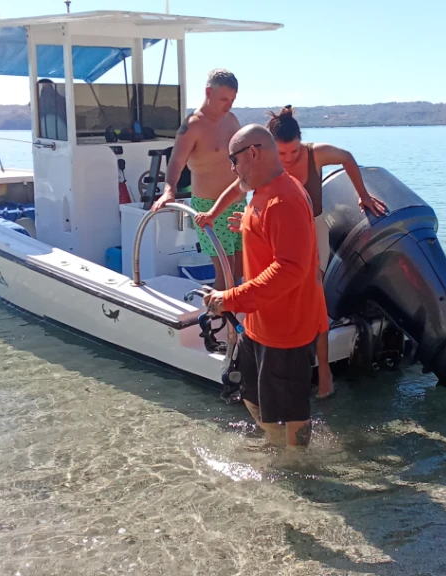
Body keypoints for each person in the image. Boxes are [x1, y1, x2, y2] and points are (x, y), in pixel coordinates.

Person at [196, 105, 387, 399]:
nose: (287, 159)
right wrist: (212, 213)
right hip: (275, 227)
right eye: (282, 154)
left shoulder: (316, 153)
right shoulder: (264, 168)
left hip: (312, 228)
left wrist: (363, 196)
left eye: (293, 153)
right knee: (269, 283)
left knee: (314, 294)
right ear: (269, 150)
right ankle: (262, 354)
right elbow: (237, 188)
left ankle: (323, 370)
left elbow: (347, 158)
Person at [202, 125, 328, 448]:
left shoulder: (284, 199)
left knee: (293, 409)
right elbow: (267, 234)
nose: (232, 168)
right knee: (245, 387)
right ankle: (276, 444)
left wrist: (230, 299)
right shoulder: (260, 190)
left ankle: (298, 469)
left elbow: (289, 269)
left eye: (234, 159)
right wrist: (246, 224)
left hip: (286, 332)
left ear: (254, 154)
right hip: (259, 325)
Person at [151, 69, 244, 290]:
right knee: (226, 270)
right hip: (210, 207)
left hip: (239, 202)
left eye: (232, 100)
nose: (228, 105)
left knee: (242, 268)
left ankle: (235, 316)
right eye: (223, 99)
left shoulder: (232, 120)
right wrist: (169, 190)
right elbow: (175, 162)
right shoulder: (192, 126)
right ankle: (218, 320)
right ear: (208, 92)